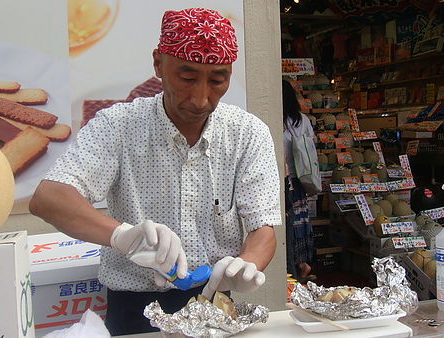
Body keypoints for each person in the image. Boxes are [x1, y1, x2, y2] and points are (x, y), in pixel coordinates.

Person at [29, 8, 281, 335]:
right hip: (135, 309)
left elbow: (263, 228)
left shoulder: (248, 134)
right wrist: (122, 237)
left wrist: (246, 264)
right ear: (157, 64)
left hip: (216, 305)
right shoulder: (117, 126)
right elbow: (49, 198)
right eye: (187, 77)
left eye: (218, 80)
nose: (201, 98)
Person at [282, 79, 316, 283]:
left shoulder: (278, 121)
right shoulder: (302, 120)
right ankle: (303, 263)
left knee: (290, 225)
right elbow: (311, 148)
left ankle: (296, 267)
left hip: (286, 181)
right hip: (302, 179)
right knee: (302, 223)